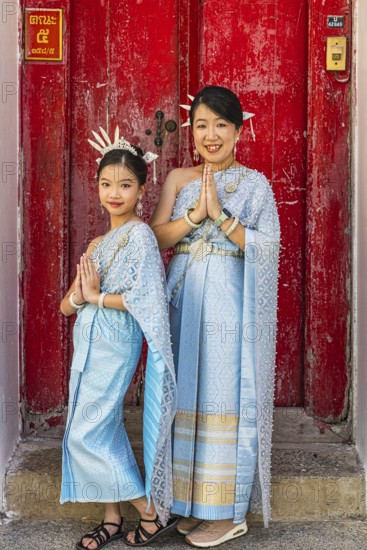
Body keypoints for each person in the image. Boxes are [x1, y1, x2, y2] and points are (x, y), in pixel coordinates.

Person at [150, 86, 280, 548]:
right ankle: (191, 503)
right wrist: (194, 215)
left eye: (221, 125)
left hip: (229, 303)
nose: (210, 135)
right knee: (186, 394)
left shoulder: (255, 185)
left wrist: (222, 217)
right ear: (191, 129)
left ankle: (226, 513)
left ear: (238, 131)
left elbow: (267, 249)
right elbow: (158, 239)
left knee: (223, 395)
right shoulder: (179, 179)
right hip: (185, 300)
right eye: (201, 125)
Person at [59, 128, 177, 549]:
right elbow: (65, 306)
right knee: (101, 426)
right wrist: (81, 294)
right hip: (88, 344)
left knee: (84, 432)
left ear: (142, 190)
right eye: (106, 184)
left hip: (116, 343)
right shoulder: (99, 242)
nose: (114, 192)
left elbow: (146, 300)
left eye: (125, 185)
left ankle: (149, 510)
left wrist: (96, 296)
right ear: (97, 187)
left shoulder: (141, 238)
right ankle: (111, 518)